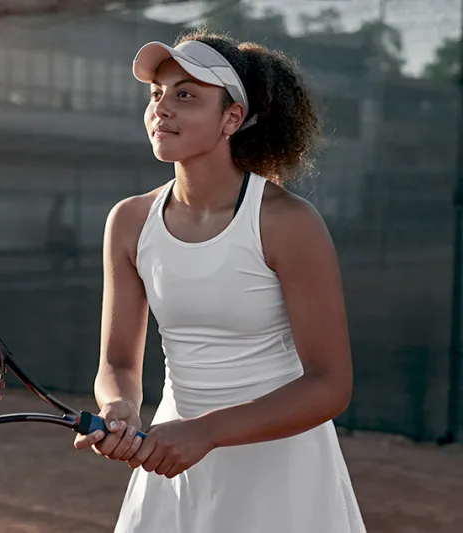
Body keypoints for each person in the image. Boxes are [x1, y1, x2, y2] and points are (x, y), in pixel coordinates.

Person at [73, 30, 367, 533]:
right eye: (156, 94)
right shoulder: (128, 221)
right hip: (171, 458)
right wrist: (119, 407)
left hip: (281, 468)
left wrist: (207, 432)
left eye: (186, 95)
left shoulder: (287, 222)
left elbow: (330, 385)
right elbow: (119, 362)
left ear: (231, 118)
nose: (162, 108)